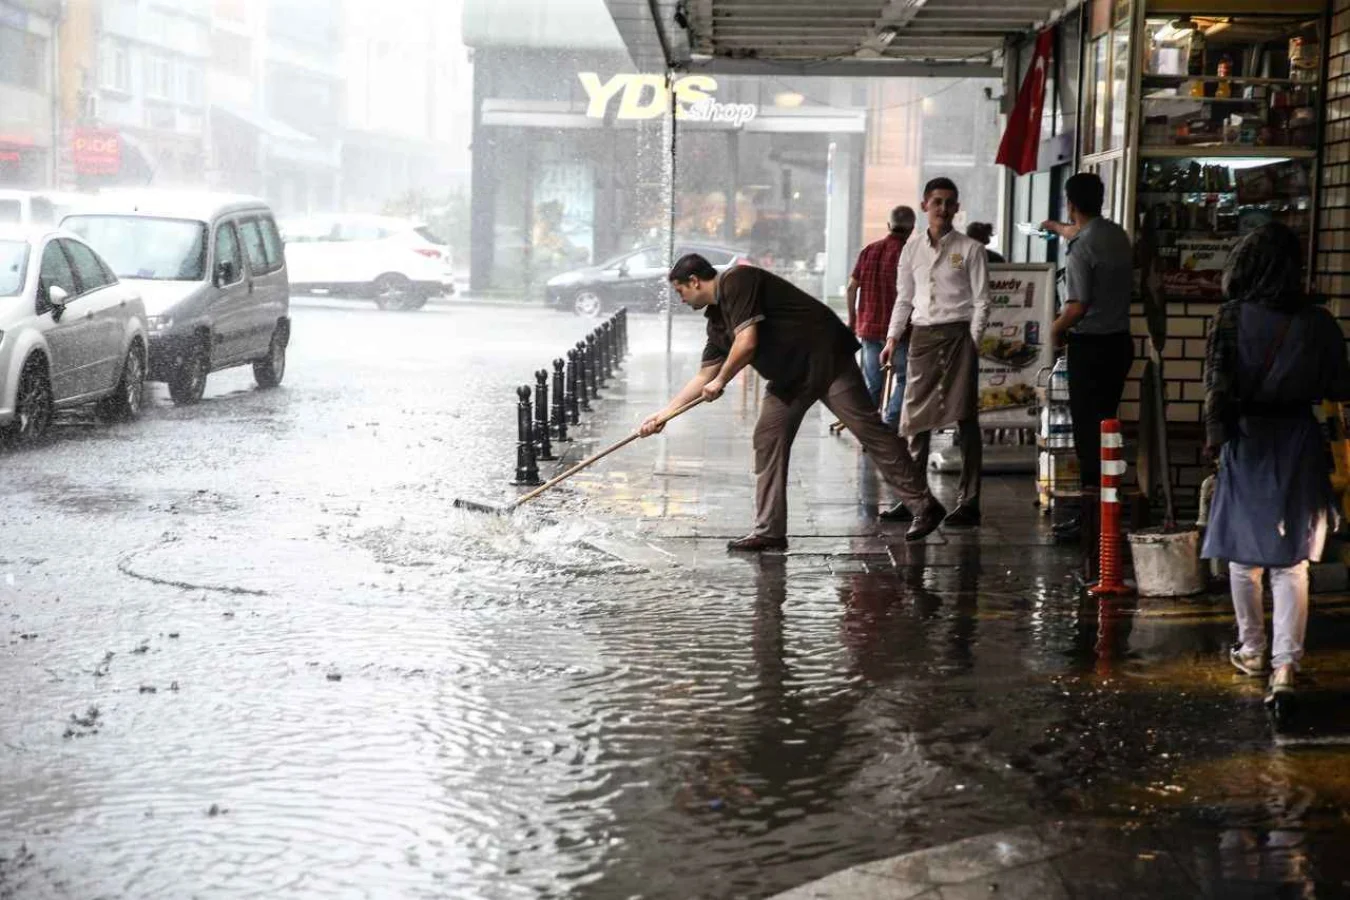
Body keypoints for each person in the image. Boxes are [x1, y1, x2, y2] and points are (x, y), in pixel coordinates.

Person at [640, 254, 946, 551]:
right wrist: (663, 415)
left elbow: (747, 343)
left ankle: (925, 505)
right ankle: (769, 531)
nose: (680, 299)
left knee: (870, 431)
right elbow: (704, 374)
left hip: (825, 358)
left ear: (694, 281)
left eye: (679, 290)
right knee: (767, 437)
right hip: (790, 377)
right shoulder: (717, 322)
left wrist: (721, 381)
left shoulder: (737, 280)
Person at [1201, 222, 1350, 706]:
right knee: (1293, 563)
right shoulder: (1321, 323)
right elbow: (1339, 387)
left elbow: (1217, 390)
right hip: (1300, 441)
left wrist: (1214, 439)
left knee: (1244, 557)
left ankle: (1252, 649)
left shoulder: (1229, 317)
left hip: (1248, 440)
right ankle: (1286, 666)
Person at [879, 177, 990, 528]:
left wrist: (973, 339)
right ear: (925, 205)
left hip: (959, 335)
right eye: (937, 201)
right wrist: (892, 337)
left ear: (957, 208)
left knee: (965, 418)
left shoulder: (971, 249)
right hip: (922, 336)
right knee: (914, 421)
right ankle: (914, 499)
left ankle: (969, 501)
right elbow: (904, 298)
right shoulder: (910, 250)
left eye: (949, 202)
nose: (943, 208)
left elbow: (983, 300)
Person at [1040, 173, 1135, 541]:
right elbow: (1076, 232)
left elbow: (1077, 305)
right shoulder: (1116, 235)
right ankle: (1108, 511)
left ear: (1071, 204)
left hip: (1091, 348)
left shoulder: (1081, 247)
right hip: (1119, 345)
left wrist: (1054, 329)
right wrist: (1053, 226)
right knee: (1108, 427)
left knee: (1087, 435)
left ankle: (1090, 519)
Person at [847, 205, 915, 430]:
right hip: (899, 333)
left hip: (868, 328)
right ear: (912, 229)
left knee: (872, 384)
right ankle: (890, 421)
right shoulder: (910, 254)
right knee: (905, 380)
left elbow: (851, 288)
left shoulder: (869, 251)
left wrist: (853, 318)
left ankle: (869, 430)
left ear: (889, 225)